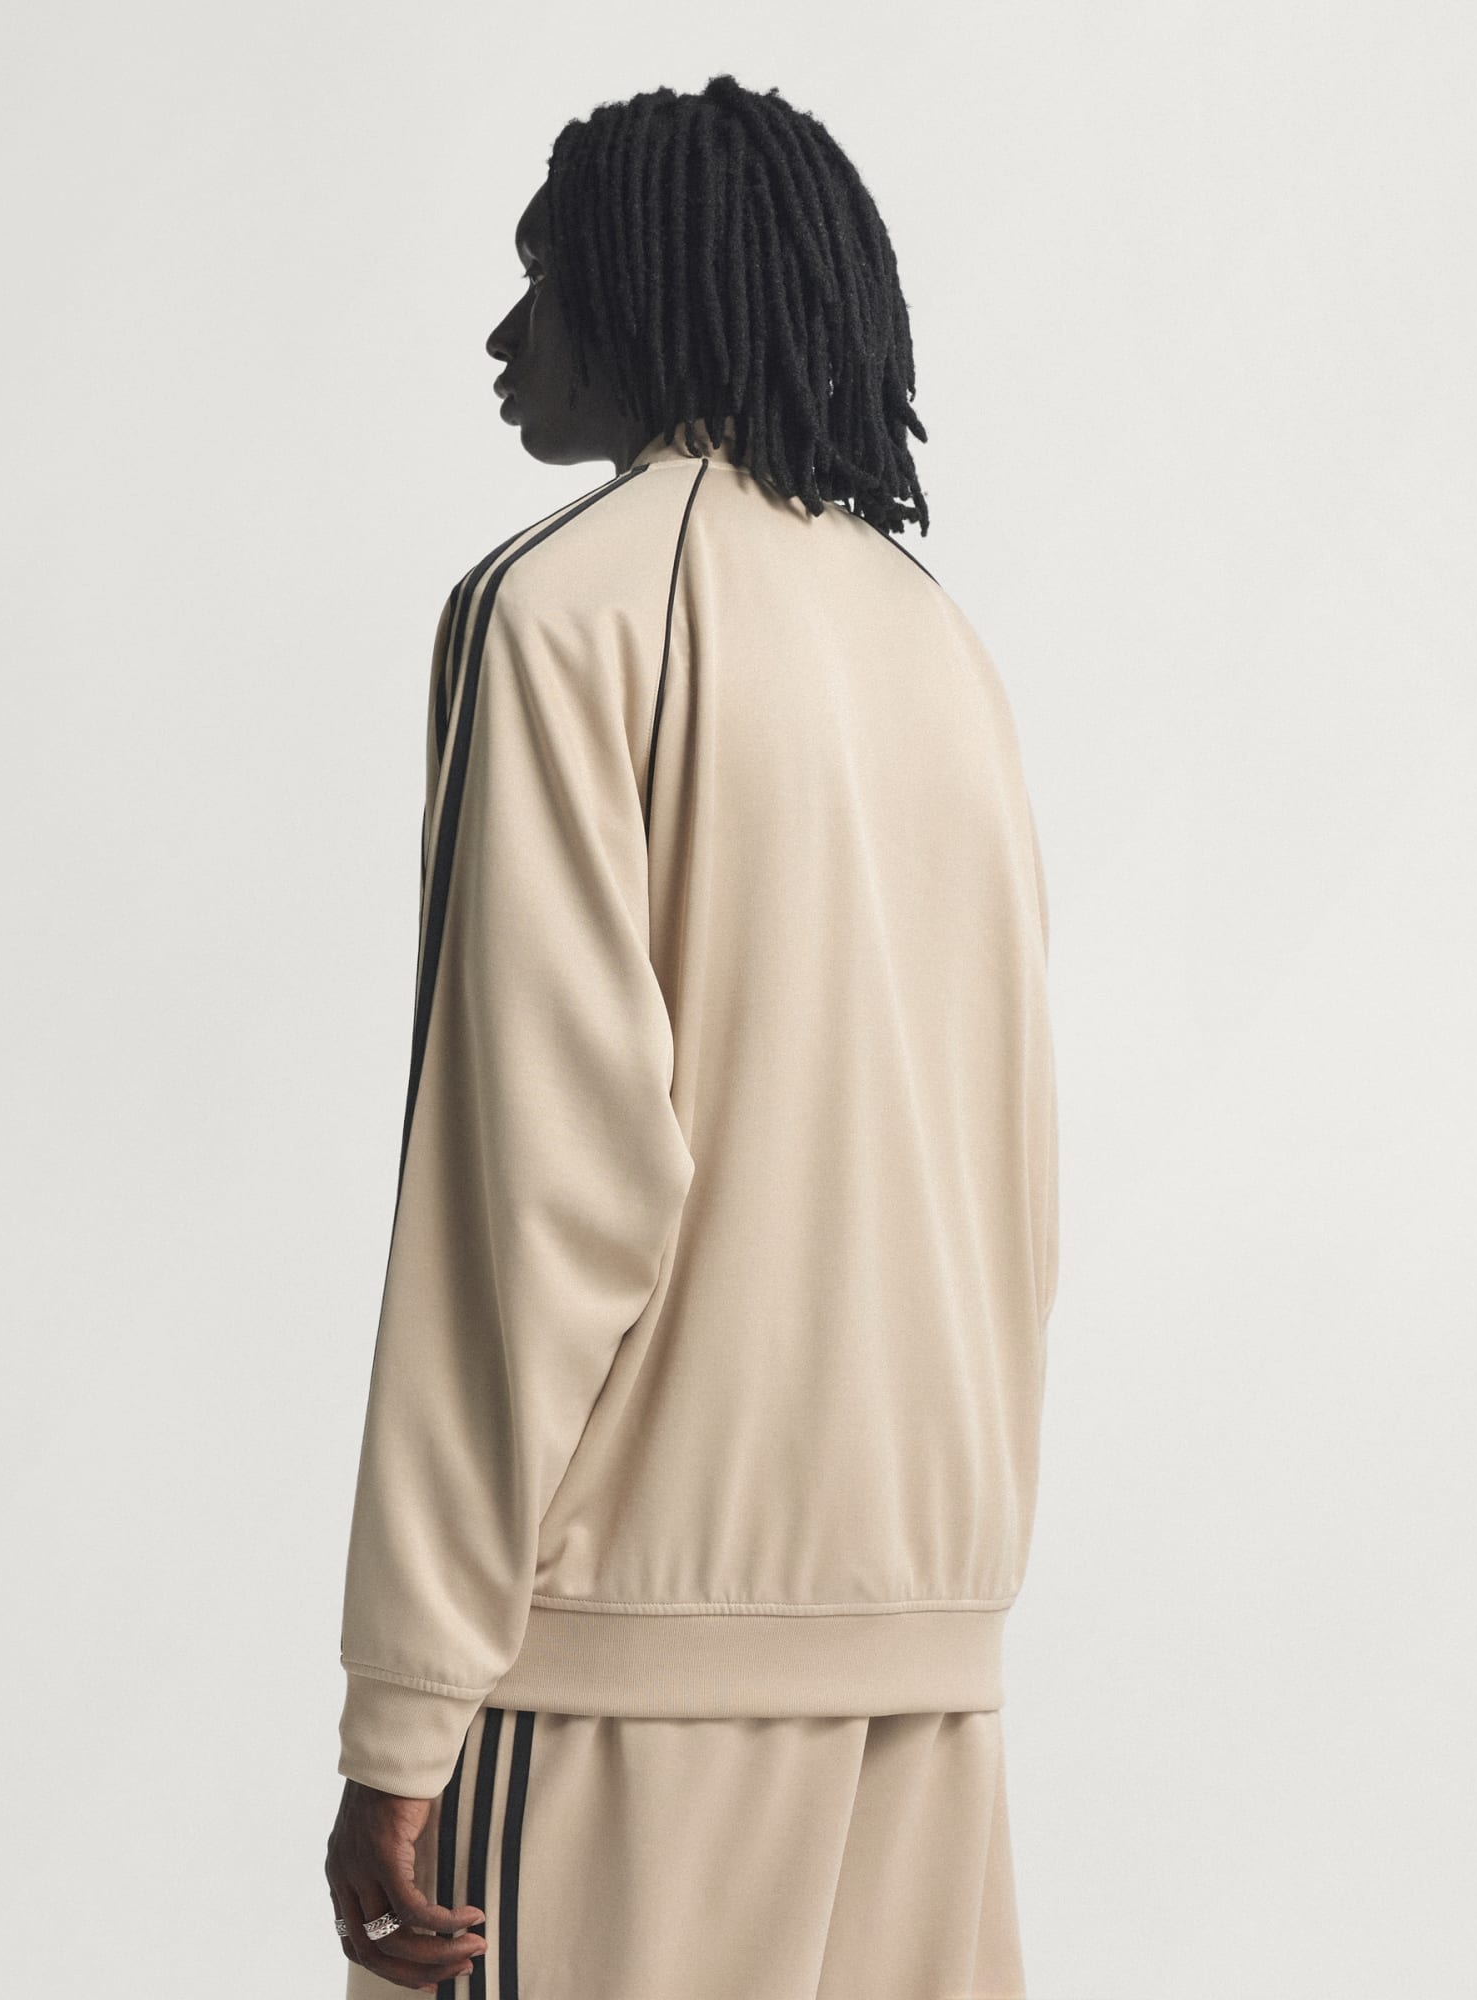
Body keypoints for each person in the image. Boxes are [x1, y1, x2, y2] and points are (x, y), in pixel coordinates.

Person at [324, 73, 1057, 1999]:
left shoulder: (554, 613)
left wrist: (405, 1704)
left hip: (628, 1673)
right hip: (924, 1661)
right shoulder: (937, 644)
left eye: (546, 276)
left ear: (646, 291)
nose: (506, 333)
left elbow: (528, 1198)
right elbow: (1013, 1172)